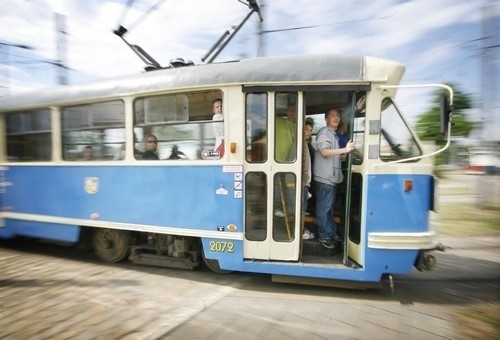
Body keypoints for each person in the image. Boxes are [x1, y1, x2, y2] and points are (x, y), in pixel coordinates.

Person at [313, 108, 354, 249]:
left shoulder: (333, 135)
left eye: (337, 116)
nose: (336, 118)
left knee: (329, 208)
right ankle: (324, 235)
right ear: (326, 119)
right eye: (332, 115)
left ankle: (330, 232)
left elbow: (334, 155)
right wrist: (345, 150)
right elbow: (324, 151)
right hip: (325, 178)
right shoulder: (325, 132)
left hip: (331, 178)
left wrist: (345, 155)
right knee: (324, 208)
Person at [274, 102, 297, 217]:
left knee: (289, 187)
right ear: (287, 112)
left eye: (295, 110)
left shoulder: (299, 127)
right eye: (290, 110)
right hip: (276, 159)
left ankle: (290, 210)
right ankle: (276, 208)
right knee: (277, 187)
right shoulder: (278, 121)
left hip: (291, 162)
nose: (292, 113)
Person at [302, 118, 315, 240]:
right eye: (306, 129)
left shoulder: (305, 144)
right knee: (301, 208)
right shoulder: (299, 144)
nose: (308, 132)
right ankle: (301, 231)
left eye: (310, 130)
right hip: (302, 182)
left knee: (303, 208)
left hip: (305, 182)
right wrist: (304, 180)